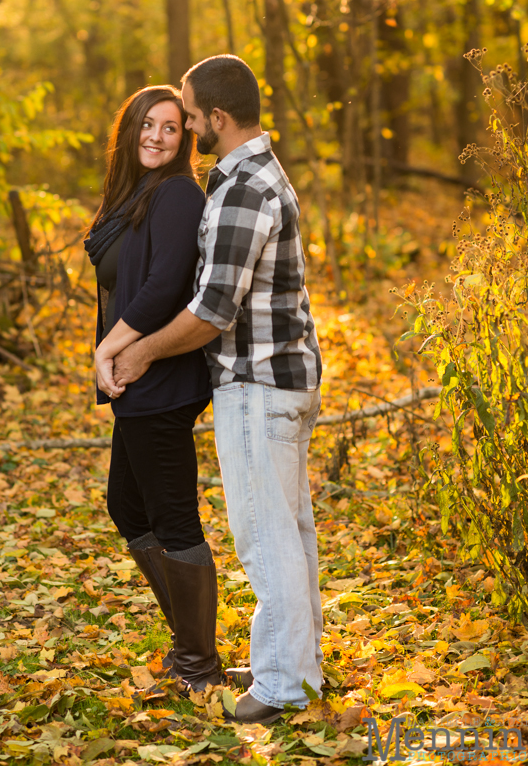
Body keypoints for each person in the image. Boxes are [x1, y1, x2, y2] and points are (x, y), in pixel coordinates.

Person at [97, 56, 323, 725]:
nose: (186, 124)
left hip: (258, 382)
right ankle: (295, 669)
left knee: (266, 541)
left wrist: (132, 352)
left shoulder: (241, 189)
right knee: (292, 536)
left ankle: (282, 687)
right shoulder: (253, 175)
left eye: (190, 114)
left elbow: (209, 312)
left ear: (215, 119)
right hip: (278, 378)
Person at [86, 85, 221, 693]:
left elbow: (166, 283)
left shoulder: (176, 194)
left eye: (171, 128)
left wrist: (112, 348)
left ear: (184, 137)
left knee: (173, 519)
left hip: (159, 378)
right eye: (147, 124)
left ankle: (200, 667)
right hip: (137, 382)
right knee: (128, 506)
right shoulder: (135, 193)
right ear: (130, 129)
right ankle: (190, 646)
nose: (157, 137)